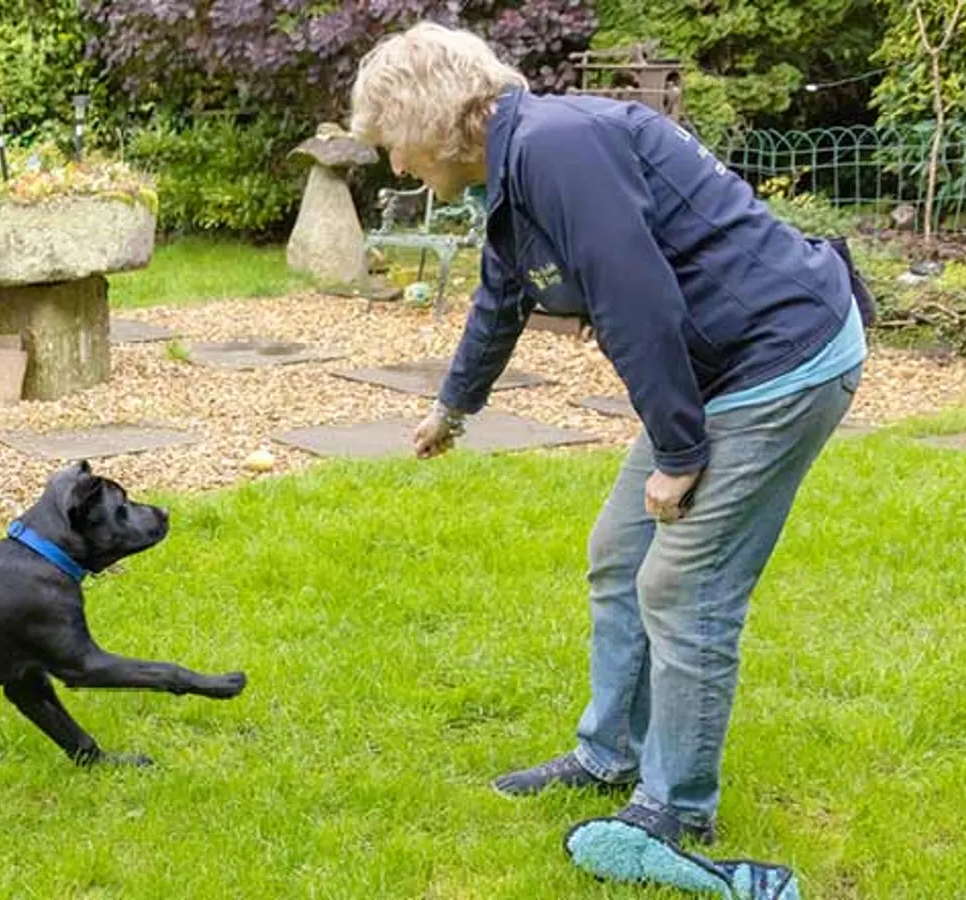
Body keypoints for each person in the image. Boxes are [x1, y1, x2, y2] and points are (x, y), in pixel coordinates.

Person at [348, 22, 868, 846]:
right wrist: (452, 410)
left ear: (429, 118)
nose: (398, 167)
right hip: (719, 369)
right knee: (619, 554)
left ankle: (677, 808)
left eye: (395, 145)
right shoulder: (515, 174)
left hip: (782, 360)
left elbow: (638, 302)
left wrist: (680, 454)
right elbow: (500, 300)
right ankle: (609, 756)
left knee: (685, 586)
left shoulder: (559, 148)